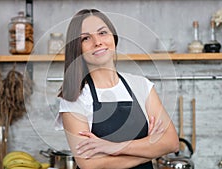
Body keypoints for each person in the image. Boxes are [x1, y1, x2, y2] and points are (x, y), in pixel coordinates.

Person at [55, 8, 179, 169]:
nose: (97, 42)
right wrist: (150, 149)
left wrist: (112, 147)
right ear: (76, 48)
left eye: (102, 33)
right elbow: (89, 165)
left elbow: (171, 142)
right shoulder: (74, 97)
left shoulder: (141, 85)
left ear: (113, 36)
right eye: (86, 38)